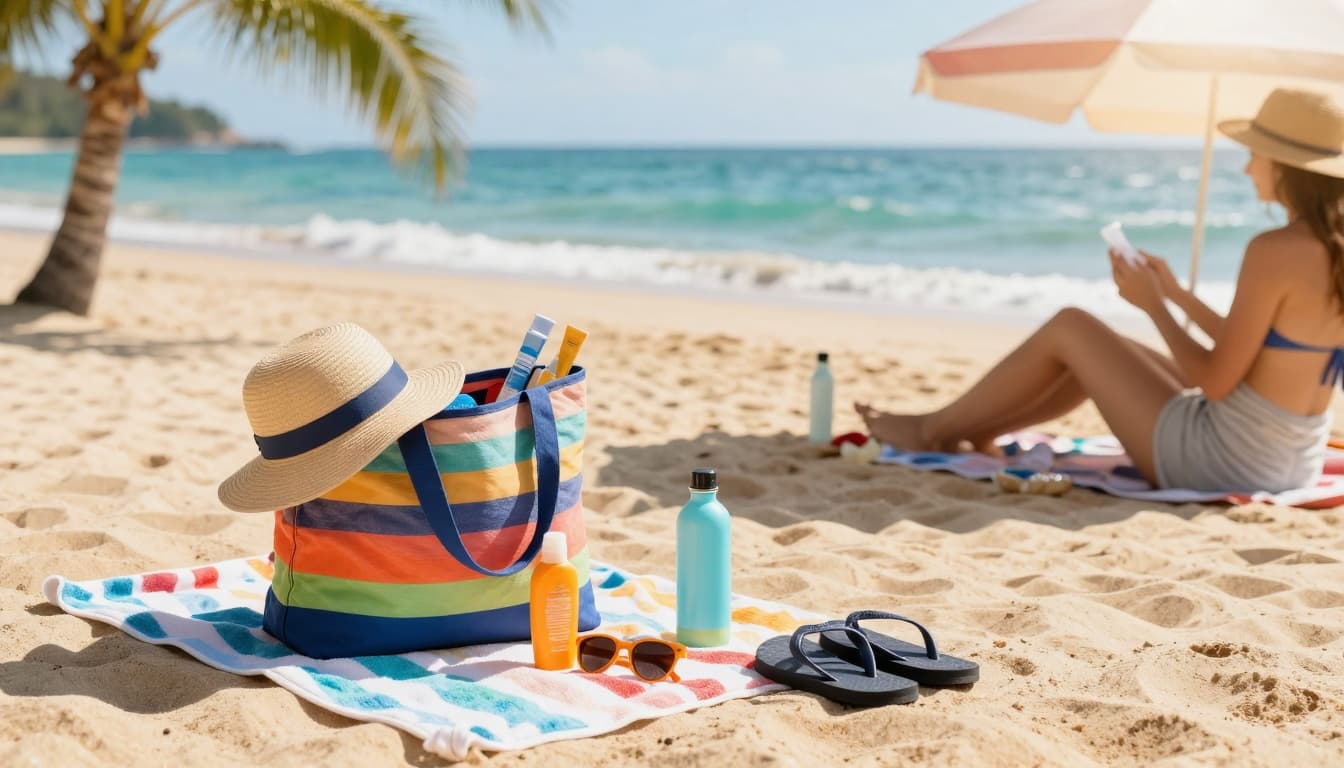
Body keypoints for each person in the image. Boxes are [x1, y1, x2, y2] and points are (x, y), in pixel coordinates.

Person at [857, 87, 1344, 493]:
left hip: (1223, 461)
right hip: (1288, 460)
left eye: (1255, 154)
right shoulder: (1332, 247)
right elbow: (1265, 346)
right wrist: (1175, 293)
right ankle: (974, 429)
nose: (1248, 168)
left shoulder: (1274, 249)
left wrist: (1153, 308)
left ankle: (931, 430)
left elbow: (1215, 383)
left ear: (1285, 165)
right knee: (1107, 349)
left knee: (1072, 326)